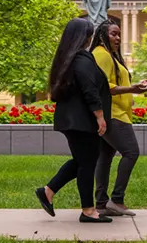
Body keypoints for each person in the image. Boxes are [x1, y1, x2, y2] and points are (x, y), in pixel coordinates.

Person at [35, 17, 113, 224]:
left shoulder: (68, 58)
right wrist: (100, 117)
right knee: (87, 164)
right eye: (89, 35)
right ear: (83, 37)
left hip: (73, 120)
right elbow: (90, 90)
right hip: (82, 121)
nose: (90, 39)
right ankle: (88, 211)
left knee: (82, 161)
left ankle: (48, 191)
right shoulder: (81, 59)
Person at [91, 19, 147, 217]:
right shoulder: (101, 55)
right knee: (131, 152)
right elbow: (102, 86)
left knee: (105, 157)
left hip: (118, 112)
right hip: (113, 115)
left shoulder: (111, 56)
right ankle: (116, 199)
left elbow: (114, 83)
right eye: (113, 34)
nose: (118, 38)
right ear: (102, 35)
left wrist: (134, 89)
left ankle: (101, 203)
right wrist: (131, 89)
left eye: (119, 34)